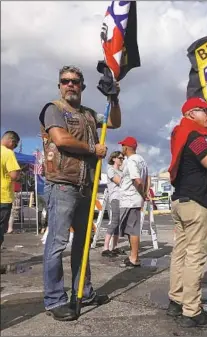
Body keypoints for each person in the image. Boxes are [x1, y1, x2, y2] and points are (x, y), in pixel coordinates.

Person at [39, 65, 121, 321]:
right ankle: (54, 299)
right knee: (57, 244)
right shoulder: (54, 109)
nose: (70, 85)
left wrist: (114, 98)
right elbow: (61, 140)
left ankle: (83, 291)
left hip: (86, 186)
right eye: (65, 81)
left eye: (75, 82)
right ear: (59, 85)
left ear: (82, 87)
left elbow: (114, 122)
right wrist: (92, 149)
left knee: (83, 244)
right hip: (62, 184)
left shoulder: (87, 114)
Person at [166, 97, 207, 328]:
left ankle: (176, 300)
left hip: (180, 201)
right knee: (195, 257)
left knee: (180, 254)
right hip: (196, 203)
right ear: (191, 113)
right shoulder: (196, 136)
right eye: (205, 111)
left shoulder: (180, 134)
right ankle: (192, 311)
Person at [118, 136, 148, 267]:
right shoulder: (142, 160)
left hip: (130, 199)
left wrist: (143, 194)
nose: (121, 149)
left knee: (132, 230)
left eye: (122, 146)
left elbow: (137, 180)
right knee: (131, 229)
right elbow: (146, 179)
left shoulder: (131, 161)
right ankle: (133, 256)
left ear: (126, 147)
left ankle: (134, 258)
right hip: (134, 199)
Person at [102, 151, 125, 257]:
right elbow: (119, 181)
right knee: (114, 221)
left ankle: (114, 246)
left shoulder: (121, 170)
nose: (122, 160)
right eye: (120, 158)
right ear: (114, 158)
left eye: (123, 158)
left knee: (118, 223)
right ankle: (105, 247)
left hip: (122, 199)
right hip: (115, 198)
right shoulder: (110, 169)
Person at [0, 131, 21, 247]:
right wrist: (19, 174)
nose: (14, 148)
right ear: (11, 141)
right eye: (15, 145)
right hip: (3, 197)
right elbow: (14, 175)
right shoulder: (8, 153)